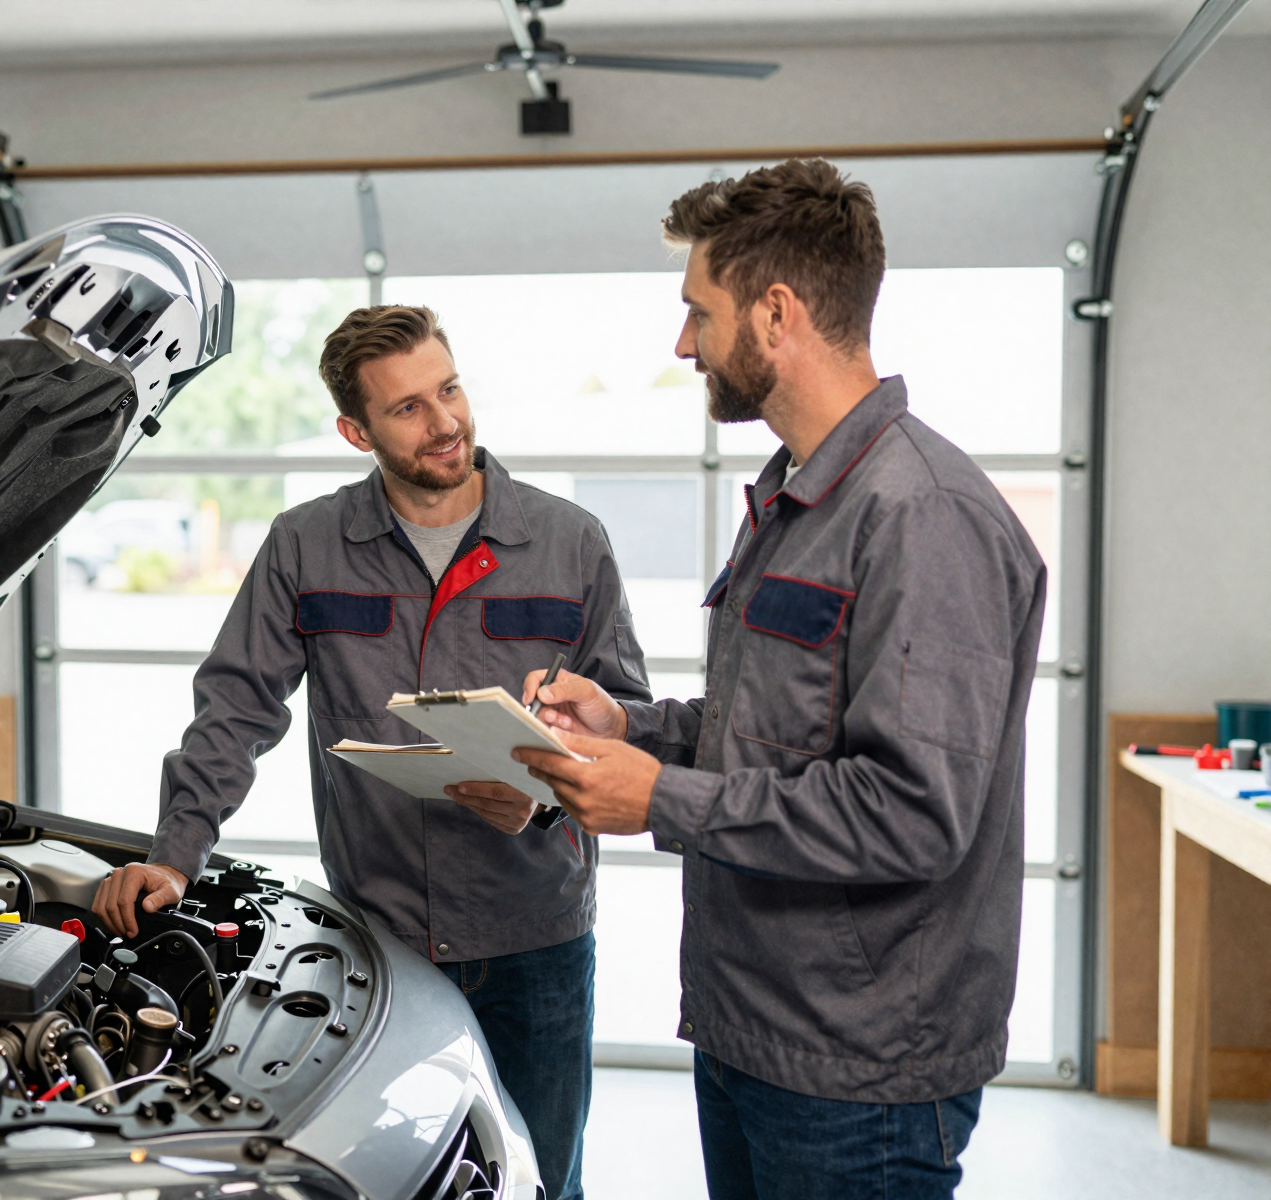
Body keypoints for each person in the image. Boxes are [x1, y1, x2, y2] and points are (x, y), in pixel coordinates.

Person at [512, 160, 1047, 1200]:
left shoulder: (921, 516)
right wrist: (633, 724)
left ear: (774, 311)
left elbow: (910, 812)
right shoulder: (794, 498)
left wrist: (656, 796)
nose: (682, 344)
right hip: (755, 1029)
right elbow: (779, 729)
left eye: (695, 312)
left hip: (862, 1071)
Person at [93, 304, 652, 1200]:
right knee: (394, 1179)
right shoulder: (306, 546)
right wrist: (174, 854)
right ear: (356, 430)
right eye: (409, 409)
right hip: (380, 939)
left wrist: (546, 794)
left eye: (451, 389)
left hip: (533, 938)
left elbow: (625, 717)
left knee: (540, 1180)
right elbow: (235, 707)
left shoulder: (568, 542)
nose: (446, 423)